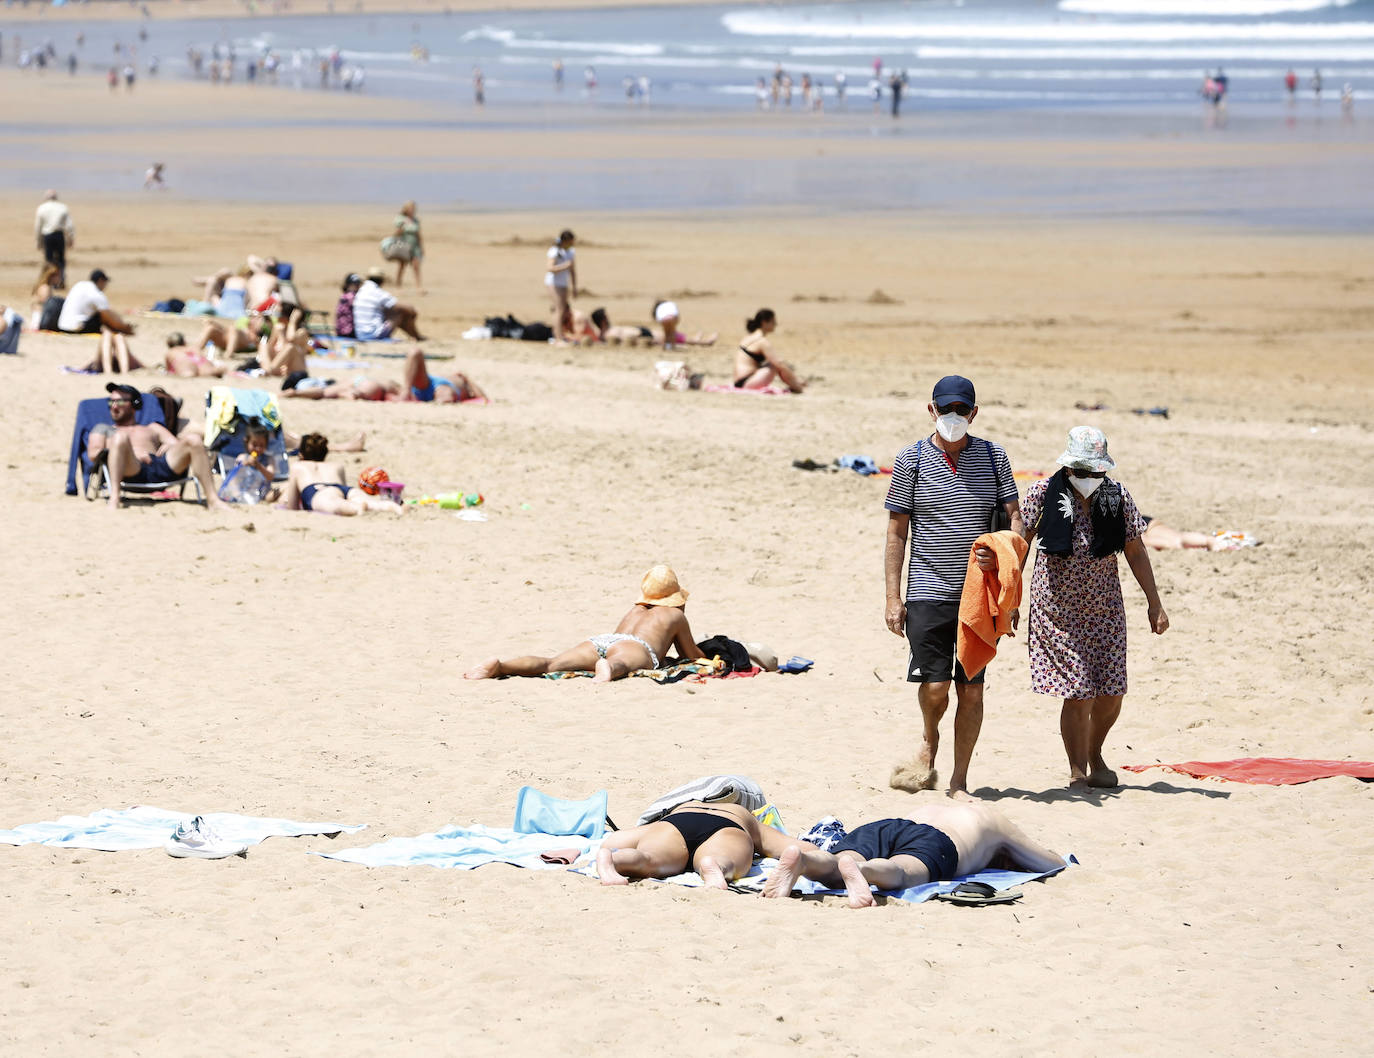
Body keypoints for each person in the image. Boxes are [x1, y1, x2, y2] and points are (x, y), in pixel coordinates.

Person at [883, 375, 1021, 799]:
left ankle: (960, 780)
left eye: (962, 410)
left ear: (974, 413)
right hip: (926, 587)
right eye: (946, 409)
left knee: (972, 691)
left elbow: (1015, 522)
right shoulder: (911, 460)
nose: (954, 417)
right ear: (932, 410)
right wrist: (893, 597)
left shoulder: (995, 458)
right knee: (936, 686)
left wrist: (1004, 565)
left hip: (978, 594)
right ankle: (930, 737)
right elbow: (896, 533)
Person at [1017, 426, 1168, 790]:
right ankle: (1078, 769)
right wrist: (1010, 601)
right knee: (1080, 689)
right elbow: (1019, 546)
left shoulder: (1116, 497)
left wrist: (1155, 603)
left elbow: (1135, 549)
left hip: (1105, 610)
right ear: (1069, 467)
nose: (1088, 479)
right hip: (1057, 611)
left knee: (1112, 690)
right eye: (1081, 472)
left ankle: (1095, 752)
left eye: (1095, 472)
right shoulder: (1041, 492)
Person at [762, 802, 1063, 908]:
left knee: (837, 864)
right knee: (900, 871)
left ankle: (805, 860)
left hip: (888, 825)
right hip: (936, 842)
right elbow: (1050, 864)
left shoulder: (937, 807)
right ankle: (862, 872)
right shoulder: (989, 818)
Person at [464, 565, 704, 683]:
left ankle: (500, 666)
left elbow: (620, 637)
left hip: (603, 640)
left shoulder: (635, 609)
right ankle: (608, 668)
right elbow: (691, 655)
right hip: (635, 646)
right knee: (618, 663)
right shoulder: (674, 616)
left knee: (551, 663)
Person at [88, 383, 227, 511]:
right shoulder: (103, 429)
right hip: (130, 469)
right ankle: (114, 499)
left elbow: (175, 444)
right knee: (120, 436)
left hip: (160, 466)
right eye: (111, 402)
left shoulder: (152, 427)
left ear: (135, 405)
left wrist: (168, 445)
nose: (114, 406)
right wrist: (129, 453)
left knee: (194, 439)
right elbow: (94, 454)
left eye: (120, 401)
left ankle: (213, 500)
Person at [597, 801, 792, 889]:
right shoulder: (742, 812)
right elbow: (784, 846)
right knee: (723, 859)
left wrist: (610, 845)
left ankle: (614, 860)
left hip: (677, 822)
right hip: (728, 824)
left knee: (648, 858)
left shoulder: (684, 805)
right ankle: (715, 866)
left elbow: (616, 839)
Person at [277, 434, 399, 515]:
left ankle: (356, 508)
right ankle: (393, 507)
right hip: (344, 489)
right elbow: (342, 491)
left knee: (341, 506)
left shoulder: (298, 466)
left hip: (317, 491)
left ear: (301, 455)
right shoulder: (336, 466)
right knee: (374, 504)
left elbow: (292, 506)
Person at [58, 269, 140, 374]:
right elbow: (109, 318)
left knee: (102, 317)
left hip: (62, 325)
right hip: (77, 327)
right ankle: (111, 369)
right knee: (106, 323)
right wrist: (126, 329)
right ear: (101, 281)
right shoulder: (96, 294)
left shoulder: (80, 285)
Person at [734, 309, 804, 392]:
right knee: (775, 364)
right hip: (748, 382)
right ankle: (797, 386)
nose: (776, 324)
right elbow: (779, 364)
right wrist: (796, 379)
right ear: (764, 322)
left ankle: (796, 383)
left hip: (738, 382)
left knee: (773, 364)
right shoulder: (762, 341)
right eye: (773, 321)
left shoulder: (748, 338)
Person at [353, 268, 424, 341]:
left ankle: (416, 336)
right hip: (373, 335)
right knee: (399, 313)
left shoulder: (361, 291)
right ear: (382, 281)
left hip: (360, 334)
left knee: (390, 312)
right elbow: (404, 308)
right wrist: (413, 312)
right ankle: (417, 336)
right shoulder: (377, 292)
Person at [401, 346, 486, 403]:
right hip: (435, 383)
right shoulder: (459, 381)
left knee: (445, 398)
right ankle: (406, 390)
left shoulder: (466, 383)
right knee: (415, 352)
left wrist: (467, 379)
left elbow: (483, 398)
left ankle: (406, 391)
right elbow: (483, 399)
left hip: (441, 386)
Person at [34, 190, 74, 288]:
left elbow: (38, 226)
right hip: (59, 235)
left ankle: (49, 281)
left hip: (47, 236)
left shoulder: (42, 208)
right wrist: (71, 238)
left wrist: (38, 241)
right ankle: (60, 280)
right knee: (61, 260)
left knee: (49, 260)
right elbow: (69, 225)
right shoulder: (62, 207)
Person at [545, 229, 578, 345]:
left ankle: (560, 335)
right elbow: (550, 268)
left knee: (563, 310)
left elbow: (573, 271)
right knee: (558, 310)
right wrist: (565, 266)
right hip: (553, 283)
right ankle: (557, 338)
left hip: (564, 283)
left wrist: (574, 287)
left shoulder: (570, 252)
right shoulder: (554, 251)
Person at [389, 201, 424, 289]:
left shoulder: (415, 220)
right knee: (402, 265)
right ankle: (398, 284)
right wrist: (403, 226)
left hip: (414, 246)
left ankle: (419, 286)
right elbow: (396, 233)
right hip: (404, 245)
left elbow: (418, 234)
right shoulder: (400, 219)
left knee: (416, 266)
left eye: (414, 208)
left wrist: (421, 246)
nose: (412, 210)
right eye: (411, 208)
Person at [334, 273, 361, 338]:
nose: (357, 286)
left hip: (341, 331)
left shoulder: (344, 296)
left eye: (358, 284)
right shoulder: (351, 297)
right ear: (348, 285)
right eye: (354, 284)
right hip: (349, 332)